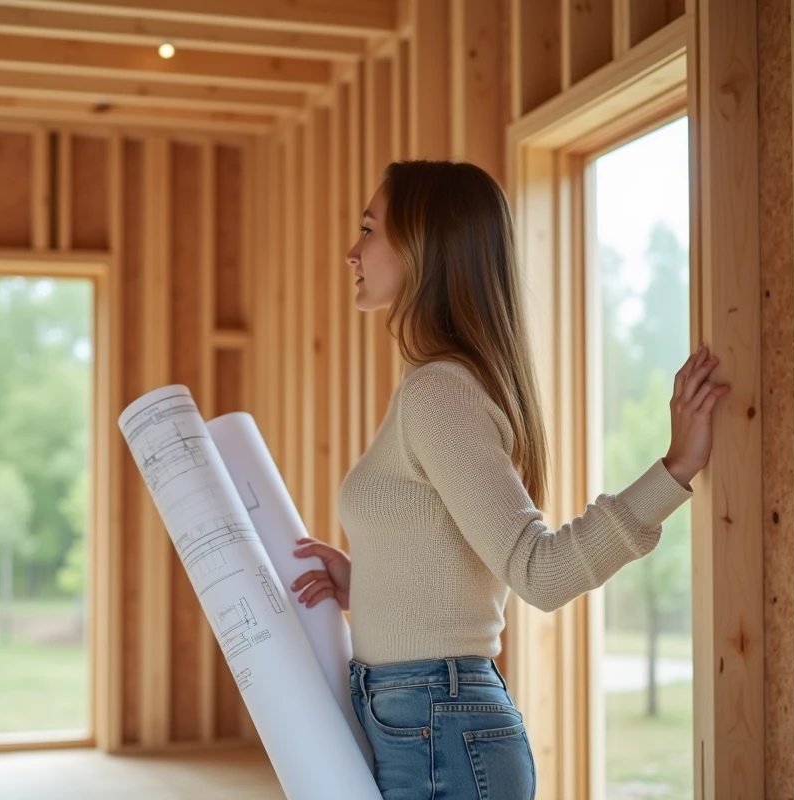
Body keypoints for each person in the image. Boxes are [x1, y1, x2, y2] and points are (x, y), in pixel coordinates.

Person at [289, 160, 729, 800]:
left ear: (425, 246)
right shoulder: (429, 385)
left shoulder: (438, 393)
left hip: (437, 729)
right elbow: (455, 553)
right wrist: (370, 580)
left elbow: (539, 572)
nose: (352, 252)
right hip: (422, 721)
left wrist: (676, 469)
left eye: (369, 229)